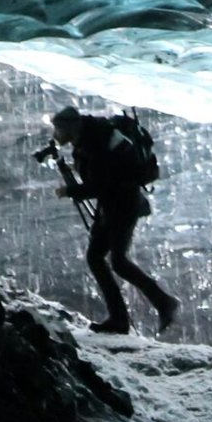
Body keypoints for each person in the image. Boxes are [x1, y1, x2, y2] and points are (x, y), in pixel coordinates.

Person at [49, 104, 180, 336]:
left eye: (58, 130)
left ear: (69, 129)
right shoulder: (89, 138)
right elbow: (101, 175)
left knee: (117, 261)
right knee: (97, 257)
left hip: (123, 205)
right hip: (113, 205)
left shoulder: (94, 142)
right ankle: (121, 318)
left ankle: (162, 304)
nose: (55, 135)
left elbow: (100, 185)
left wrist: (69, 191)